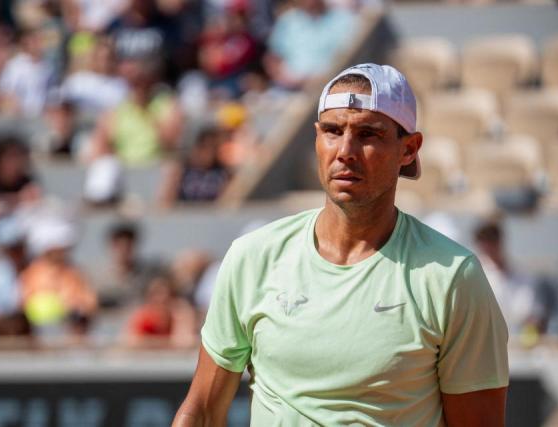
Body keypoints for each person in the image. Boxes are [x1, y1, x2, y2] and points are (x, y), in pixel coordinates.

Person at [174, 63, 508, 425]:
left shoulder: (453, 276)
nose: (345, 150)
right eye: (333, 131)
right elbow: (203, 410)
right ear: (317, 139)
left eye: (368, 134)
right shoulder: (252, 257)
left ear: (409, 149)